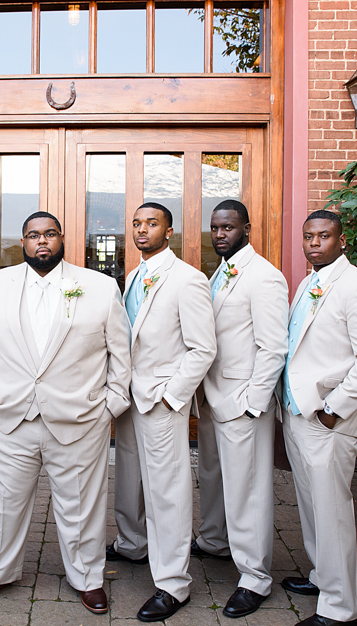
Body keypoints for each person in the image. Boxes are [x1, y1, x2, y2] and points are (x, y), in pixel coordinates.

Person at [0, 211, 131, 614]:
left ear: (62, 238)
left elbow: (120, 356)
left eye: (50, 234)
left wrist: (109, 406)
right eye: (34, 235)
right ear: (22, 242)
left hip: (79, 420)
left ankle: (88, 578)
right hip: (8, 417)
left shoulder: (100, 287)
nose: (42, 242)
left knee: (81, 505)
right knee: (2, 502)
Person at [280, 210, 357, 626]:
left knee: (332, 509)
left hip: (328, 417)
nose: (314, 243)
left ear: (342, 241)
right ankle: (322, 576)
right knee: (312, 506)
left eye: (324, 236)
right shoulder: (310, 282)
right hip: (298, 411)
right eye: (308, 236)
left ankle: (340, 608)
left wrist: (335, 408)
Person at [117, 203, 216, 621]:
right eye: (137, 224)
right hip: (128, 398)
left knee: (167, 492)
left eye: (151, 223)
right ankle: (132, 546)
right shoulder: (133, 275)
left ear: (169, 231)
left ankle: (174, 585)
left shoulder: (188, 280)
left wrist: (173, 396)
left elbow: (203, 348)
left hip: (160, 399)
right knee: (128, 481)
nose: (142, 230)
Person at [199, 200, 289, 618]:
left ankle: (255, 578)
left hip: (241, 402)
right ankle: (215, 543)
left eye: (228, 228)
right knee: (215, 478)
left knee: (247, 490)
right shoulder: (218, 274)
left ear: (247, 229)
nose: (220, 234)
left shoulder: (265, 277)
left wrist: (252, 404)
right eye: (215, 228)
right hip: (213, 398)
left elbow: (274, 347)